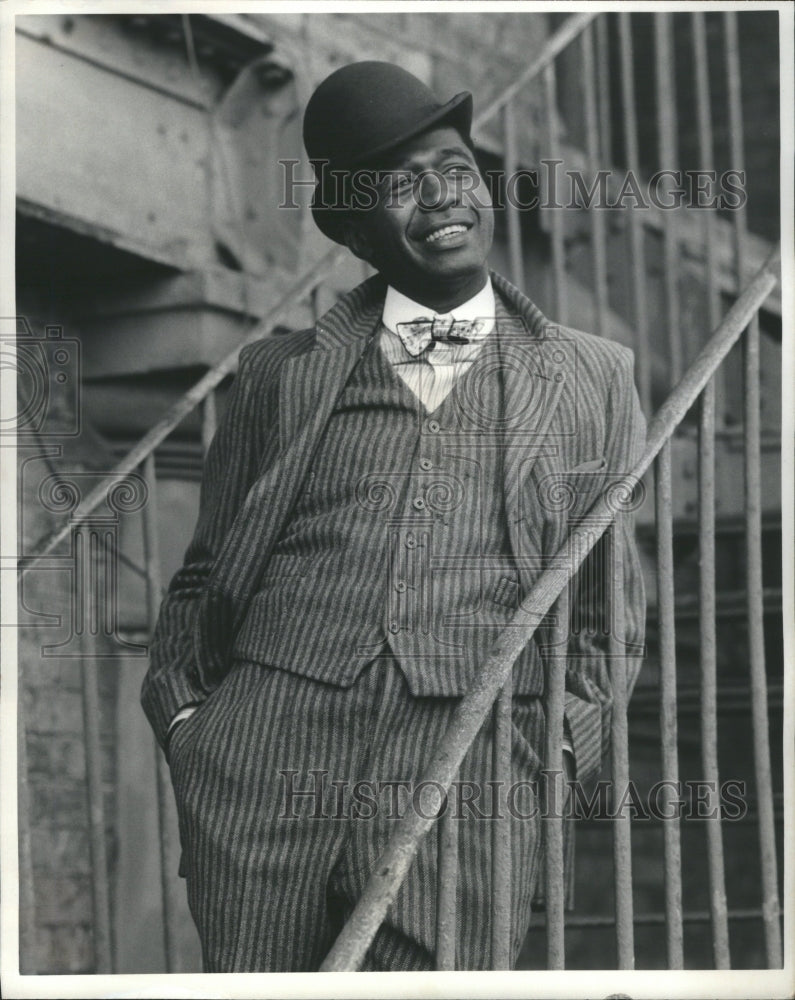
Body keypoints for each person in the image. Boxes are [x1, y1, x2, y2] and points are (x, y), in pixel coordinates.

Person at [141, 60, 646, 972]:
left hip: (469, 765)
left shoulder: (594, 374)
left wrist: (557, 751)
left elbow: (613, 610)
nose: (439, 198)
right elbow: (206, 575)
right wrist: (191, 730)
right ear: (351, 227)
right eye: (397, 185)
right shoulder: (277, 375)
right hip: (267, 754)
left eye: (452, 168)